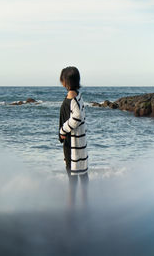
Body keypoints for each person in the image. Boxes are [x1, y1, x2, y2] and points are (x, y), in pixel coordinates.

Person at [58, 66, 89, 209]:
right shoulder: (77, 95)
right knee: (82, 175)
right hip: (80, 142)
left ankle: (71, 208)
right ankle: (84, 206)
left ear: (66, 82)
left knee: (72, 176)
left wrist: (63, 130)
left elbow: (76, 117)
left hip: (72, 144)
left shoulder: (72, 99)